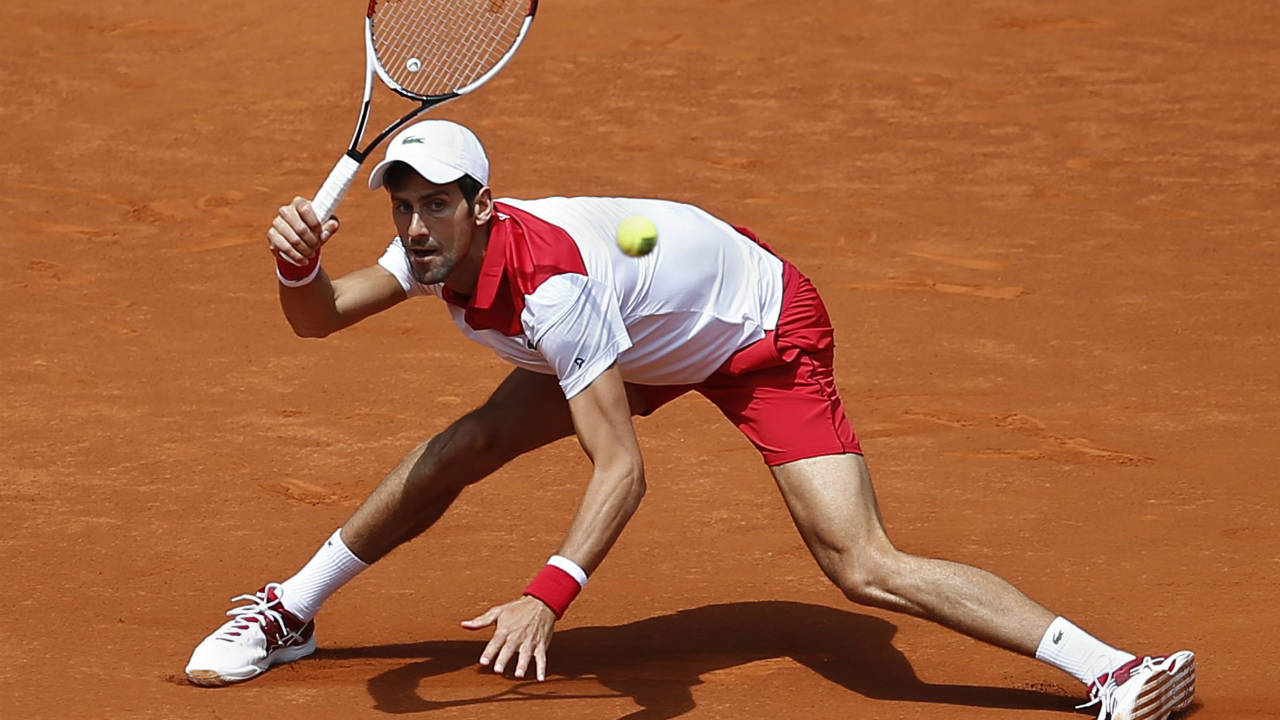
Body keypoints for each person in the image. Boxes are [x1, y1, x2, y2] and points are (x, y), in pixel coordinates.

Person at [186, 120, 1195, 720]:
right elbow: (315, 320)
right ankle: (289, 610)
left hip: (754, 329)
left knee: (860, 564)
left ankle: (1111, 671)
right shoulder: (426, 253)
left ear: (481, 205)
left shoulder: (554, 290)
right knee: (467, 445)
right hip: (646, 326)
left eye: (434, 207)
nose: (413, 228)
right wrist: (295, 262)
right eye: (401, 208)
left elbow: (620, 470)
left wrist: (549, 592)